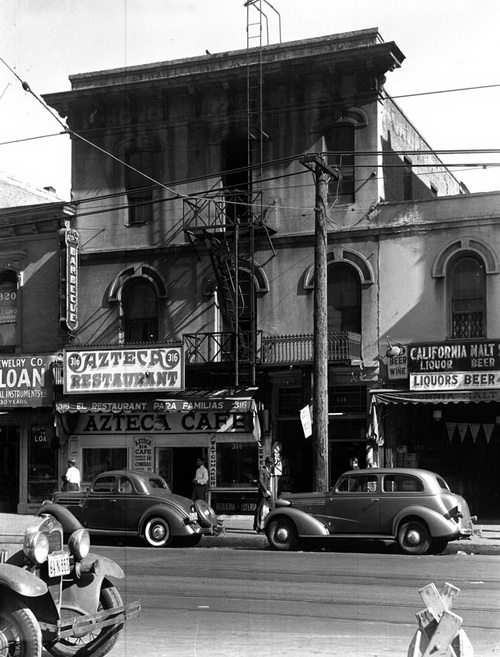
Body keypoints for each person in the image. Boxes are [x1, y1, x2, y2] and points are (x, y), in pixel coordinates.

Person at [253, 456, 275, 533]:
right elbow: (260, 481)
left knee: (272, 508)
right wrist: (265, 491)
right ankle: (257, 527)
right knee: (259, 510)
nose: (271, 465)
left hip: (268, 493)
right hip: (263, 493)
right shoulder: (262, 470)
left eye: (272, 463)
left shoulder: (268, 470)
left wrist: (269, 491)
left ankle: (270, 525)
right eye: (271, 463)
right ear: (267, 463)